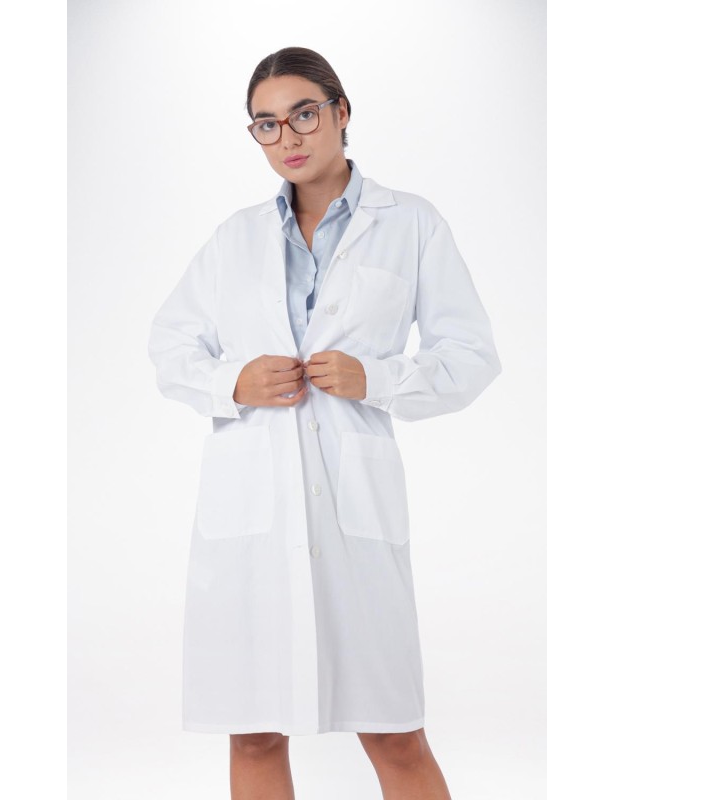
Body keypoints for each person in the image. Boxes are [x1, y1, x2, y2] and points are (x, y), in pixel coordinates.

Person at [148, 45, 502, 800]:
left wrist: (380, 378)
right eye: (267, 124)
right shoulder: (235, 237)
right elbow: (171, 347)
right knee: (254, 731)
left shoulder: (410, 224)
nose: (288, 137)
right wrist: (231, 381)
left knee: (394, 732)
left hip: (354, 515)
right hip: (251, 515)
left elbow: (471, 355)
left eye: (304, 114)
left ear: (341, 112)